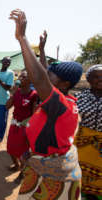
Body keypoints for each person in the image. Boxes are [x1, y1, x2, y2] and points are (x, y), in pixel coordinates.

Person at [10, 9, 82, 199]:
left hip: (52, 179)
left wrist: (22, 38)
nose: (46, 74)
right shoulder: (60, 100)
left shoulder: (62, 105)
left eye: (51, 74)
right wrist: (41, 50)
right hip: (41, 163)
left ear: (65, 83)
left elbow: (40, 79)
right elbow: (43, 74)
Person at [74, 64, 102, 200]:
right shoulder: (79, 97)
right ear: (89, 79)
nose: (100, 79)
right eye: (96, 77)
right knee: (81, 173)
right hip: (83, 143)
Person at [6, 70, 38, 173]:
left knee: (23, 152)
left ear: (30, 80)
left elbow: (34, 114)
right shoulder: (17, 92)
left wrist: (31, 129)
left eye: (23, 77)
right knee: (10, 148)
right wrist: (13, 94)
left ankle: (22, 173)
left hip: (25, 126)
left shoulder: (33, 95)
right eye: (20, 77)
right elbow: (7, 106)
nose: (20, 79)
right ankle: (16, 165)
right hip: (14, 123)